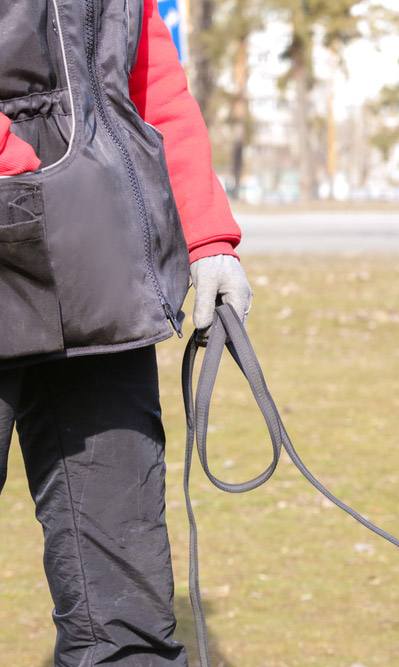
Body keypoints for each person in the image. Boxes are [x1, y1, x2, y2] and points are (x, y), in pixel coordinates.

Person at [0, 0, 251, 663]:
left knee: (125, 607)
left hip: (98, 250)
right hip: (21, 204)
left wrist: (207, 233)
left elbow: (148, 75)